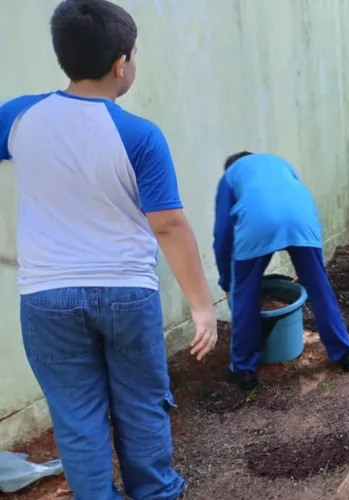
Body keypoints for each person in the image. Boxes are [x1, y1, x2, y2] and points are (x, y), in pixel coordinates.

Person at [0, 0, 218, 497]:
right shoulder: (139, 135)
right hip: (125, 292)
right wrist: (202, 307)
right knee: (142, 404)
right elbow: (167, 224)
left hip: (46, 297)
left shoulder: (18, 116)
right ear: (122, 62)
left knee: (76, 418)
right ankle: (156, 492)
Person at [213, 152, 349, 390]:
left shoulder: (230, 176)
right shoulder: (280, 165)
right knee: (319, 289)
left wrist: (227, 282)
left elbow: (222, 233)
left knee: (245, 293)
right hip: (302, 221)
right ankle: (345, 354)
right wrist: (313, 266)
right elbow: (301, 202)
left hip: (257, 224)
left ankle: (243, 370)